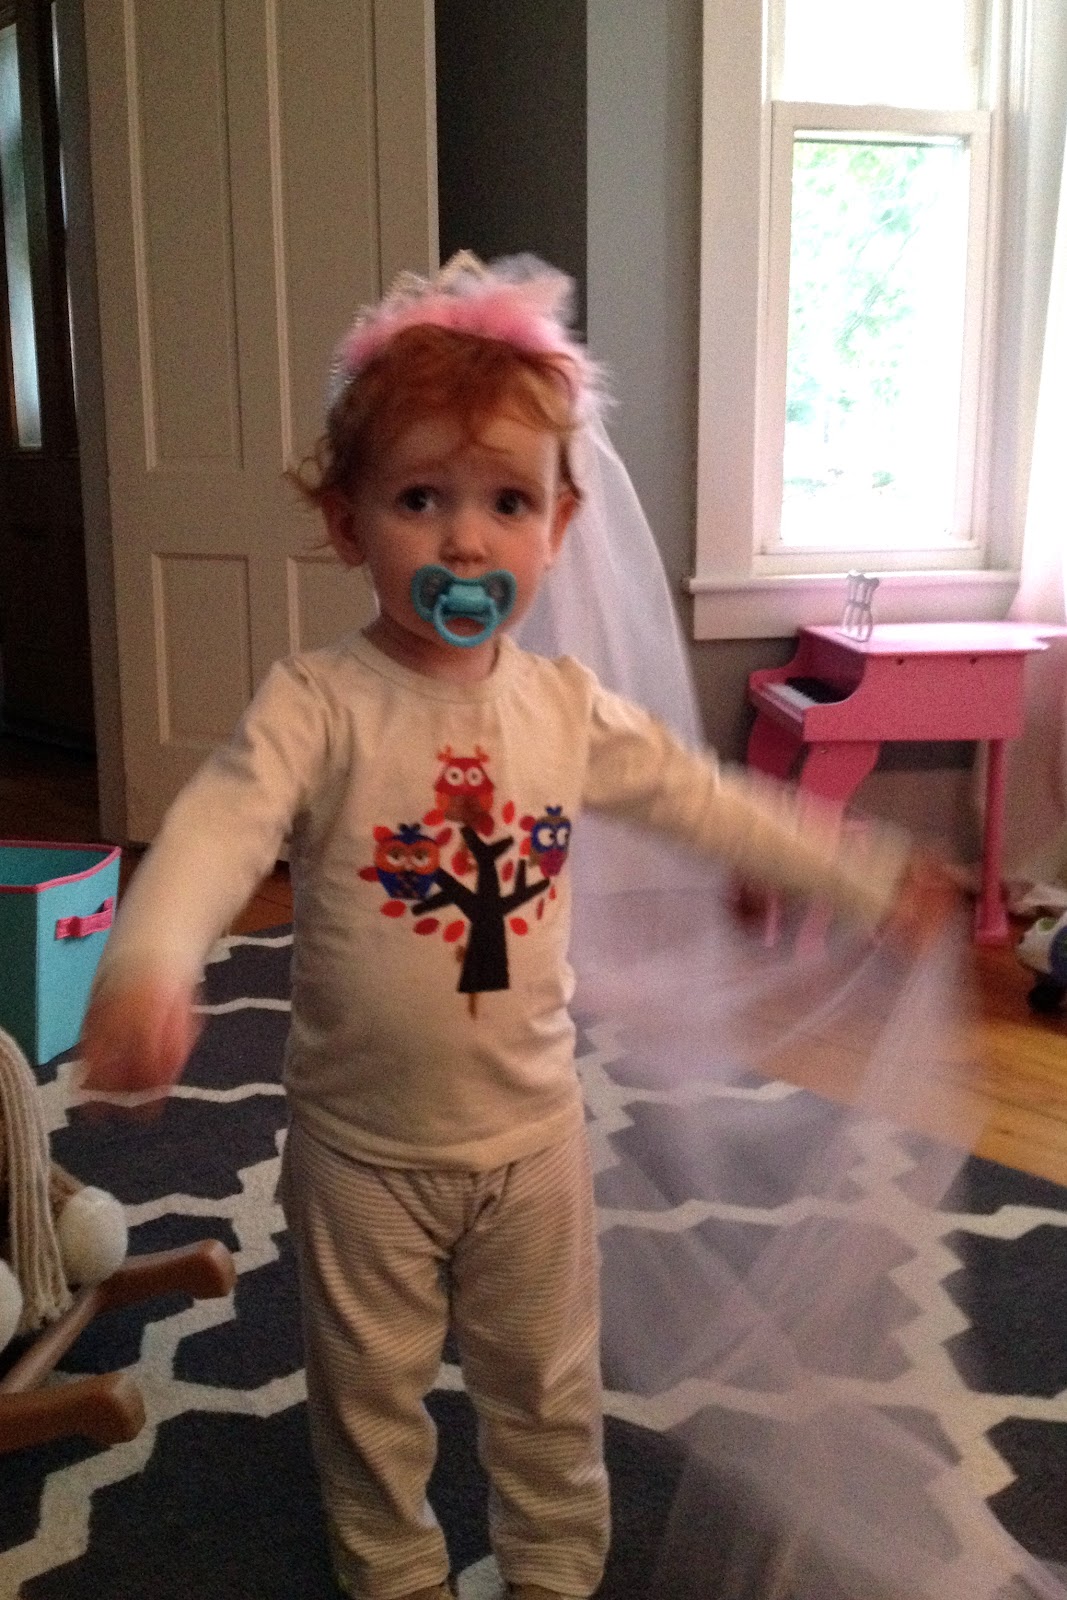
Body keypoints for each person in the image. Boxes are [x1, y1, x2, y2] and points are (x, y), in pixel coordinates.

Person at [80, 254, 954, 1600]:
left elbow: (703, 797)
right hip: (361, 1148)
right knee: (368, 1395)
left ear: (560, 522)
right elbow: (213, 831)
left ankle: (554, 1563)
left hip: (532, 1138)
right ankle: (393, 1567)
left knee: (545, 1384)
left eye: (507, 503)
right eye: (419, 500)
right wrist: (149, 963)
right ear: (347, 520)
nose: (466, 544)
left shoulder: (562, 708)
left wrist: (858, 870)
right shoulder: (319, 705)